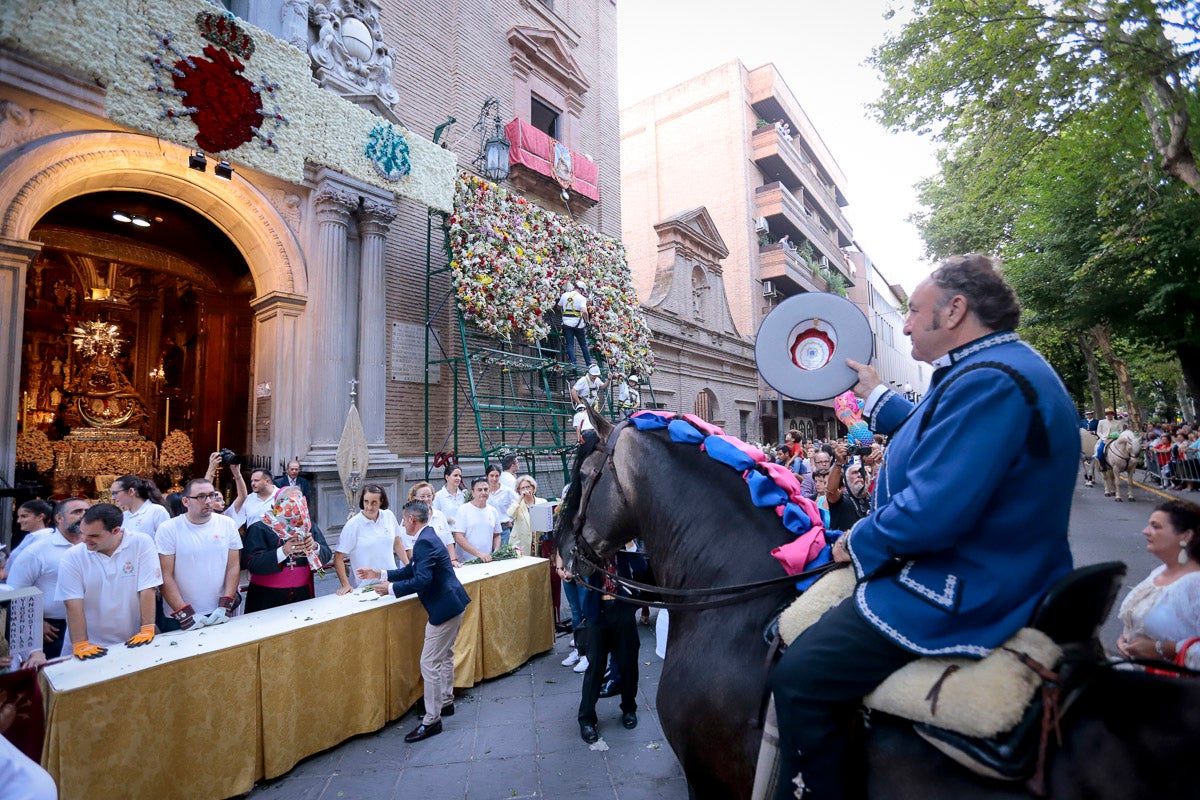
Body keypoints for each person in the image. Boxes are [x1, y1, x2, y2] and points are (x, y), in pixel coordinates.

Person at [769, 254, 1078, 799]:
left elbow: (932, 512)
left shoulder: (991, 380)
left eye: (914, 311)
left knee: (801, 680)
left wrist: (856, 543)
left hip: (964, 583)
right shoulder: (991, 369)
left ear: (956, 310)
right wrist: (875, 394)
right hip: (983, 566)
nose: (907, 323)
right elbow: (939, 435)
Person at [358, 500, 470, 743]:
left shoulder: (424, 541)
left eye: (403, 519)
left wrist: (391, 589)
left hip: (444, 609)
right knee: (445, 656)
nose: (401, 523)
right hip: (452, 603)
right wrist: (381, 574)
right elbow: (414, 570)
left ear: (411, 520)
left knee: (429, 663)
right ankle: (446, 702)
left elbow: (421, 580)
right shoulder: (428, 536)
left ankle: (432, 720)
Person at [57, 503, 162, 658]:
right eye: (83, 533)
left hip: (133, 639)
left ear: (115, 531)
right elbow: (72, 603)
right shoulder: (72, 556)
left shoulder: (141, 543)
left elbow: (148, 589)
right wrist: (80, 643)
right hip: (90, 644)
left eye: (94, 536)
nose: (85, 540)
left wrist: (147, 628)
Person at [574, 542, 646, 744]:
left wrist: (630, 545)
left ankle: (629, 709)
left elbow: (641, 569)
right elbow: (579, 570)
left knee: (628, 663)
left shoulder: (626, 545)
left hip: (623, 610)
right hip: (599, 612)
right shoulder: (592, 543)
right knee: (596, 666)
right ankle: (586, 719)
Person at [1116, 500, 1200, 668]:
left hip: (1177, 688)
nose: (1146, 531)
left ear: (1186, 535)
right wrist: (1126, 640)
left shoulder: (1195, 584)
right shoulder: (1159, 571)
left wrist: (1163, 649)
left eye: (1156, 526)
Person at [5, 497, 89, 664]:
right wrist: (37, 624)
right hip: (51, 630)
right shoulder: (38, 551)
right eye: (77, 512)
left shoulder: (92, 547)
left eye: (87, 512)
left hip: (88, 625)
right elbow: (16, 593)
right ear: (59, 518)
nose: (84, 516)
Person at [155, 479, 242, 631]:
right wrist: (185, 613)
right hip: (180, 614)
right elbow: (165, 575)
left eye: (212, 495)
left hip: (218, 610)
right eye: (201, 497)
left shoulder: (227, 524)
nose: (208, 501)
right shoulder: (168, 528)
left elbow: (233, 567)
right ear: (185, 501)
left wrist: (225, 605)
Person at [242, 487, 332, 613]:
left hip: (302, 595)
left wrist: (315, 547)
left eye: (299, 501)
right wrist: (283, 551)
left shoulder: (309, 527)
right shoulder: (260, 527)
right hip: (266, 597)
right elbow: (252, 563)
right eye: (290, 501)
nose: (295, 505)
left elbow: (327, 554)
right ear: (278, 504)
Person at [333, 484, 406, 595]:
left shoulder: (389, 516)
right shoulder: (353, 525)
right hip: (364, 587)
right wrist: (345, 584)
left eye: (374, 502)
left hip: (391, 582)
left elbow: (397, 542)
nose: (369, 507)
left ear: (381, 501)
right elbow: (338, 557)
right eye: (366, 501)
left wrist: (409, 567)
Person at [408, 482, 459, 565]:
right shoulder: (409, 518)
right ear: (414, 498)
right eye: (422, 496)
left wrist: (452, 560)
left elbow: (449, 541)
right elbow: (408, 548)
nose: (426, 499)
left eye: (429, 496)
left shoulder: (440, 515)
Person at [3, 500, 55, 579]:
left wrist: (4, 575)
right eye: (19, 517)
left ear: (40, 517)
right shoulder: (34, 536)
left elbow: (30, 571)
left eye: (24, 516)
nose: (18, 521)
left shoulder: (43, 538)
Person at [110, 474, 170, 541]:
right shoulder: (124, 516)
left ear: (131, 491)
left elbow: (166, 541)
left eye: (115, 493)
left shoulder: (157, 511)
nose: (112, 498)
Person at [453, 478, 500, 563]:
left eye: (486, 489)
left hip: (486, 560)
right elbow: (459, 537)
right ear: (473, 493)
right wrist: (479, 554)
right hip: (465, 562)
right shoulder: (463, 510)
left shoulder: (493, 511)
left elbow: (497, 534)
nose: (483, 492)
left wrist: (496, 550)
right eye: (479, 490)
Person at [203, 452, 249, 524]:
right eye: (218, 499)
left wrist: (237, 473)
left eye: (222, 499)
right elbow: (204, 492)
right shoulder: (204, 516)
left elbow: (242, 496)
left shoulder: (228, 515)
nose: (223, 502)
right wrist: (211, 468)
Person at [507, 474, 545, 557]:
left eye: (528, 487)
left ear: (533, 488)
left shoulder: (542, 502)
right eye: (522, 488)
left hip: (537, 541)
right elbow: (510, 514)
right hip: (521, 542)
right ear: (519, 490)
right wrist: (520, 499)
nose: (526, 490)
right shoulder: (516, 503)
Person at [559, 280, 592, 366]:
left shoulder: (564, 295)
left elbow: (559, 306)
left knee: (569, 344)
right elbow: (584, 312)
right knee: (583, 345)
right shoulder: (581, 298)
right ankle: (589, 364)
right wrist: (587, 321)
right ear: (581, 290)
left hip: (566, 324)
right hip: (578, 325)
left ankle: (572, 362)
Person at [486, 465, 519, 548]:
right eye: (492, 476)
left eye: (497, 476)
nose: (494, 479)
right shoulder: (483, 491)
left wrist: (511, 520)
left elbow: (518, 503)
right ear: (487, 476)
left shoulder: (507, 491)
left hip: (503, 528)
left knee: (502, 556)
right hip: (487, 529)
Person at [432, 465, 466, 529]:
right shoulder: (438, 496)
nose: (458, 478)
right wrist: (449, 520)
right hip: (447, 532)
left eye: (460, 476)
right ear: (447, 477)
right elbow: (434, 517)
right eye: (455, 475)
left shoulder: (464, 495)